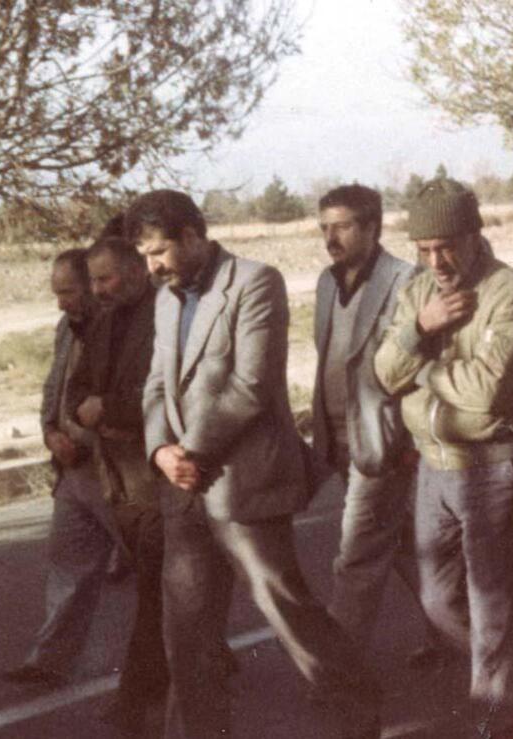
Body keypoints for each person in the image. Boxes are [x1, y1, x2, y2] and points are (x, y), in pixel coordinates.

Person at [135, 189, 380, 739]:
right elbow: (154, 384)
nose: (151, 268)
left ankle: (358, 716)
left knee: (289, 613)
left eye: (158, 252)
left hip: (242, 484)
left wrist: (190, 452)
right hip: (182, 487)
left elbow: (251, 385)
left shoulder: (255, 282)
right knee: (186, 638)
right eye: (144, 256)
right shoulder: (166, 298)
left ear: (192, 236)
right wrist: (160, 451)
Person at [374, 179, 513, 736]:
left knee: (492, 611)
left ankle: (498, 723)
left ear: (474, 236)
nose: (436, 261)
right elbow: (384, 373)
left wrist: (424, 370)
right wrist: (419, 329)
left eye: (446, 246)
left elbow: (486, 392)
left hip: (494, 466)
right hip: (434, 465)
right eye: (424, 249)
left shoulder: (508, 292)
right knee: (438, 601)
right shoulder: (417, 294)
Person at [311, 184, 443, 665]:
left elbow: (421, 366)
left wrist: (410, 442)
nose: (331, 238)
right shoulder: (327, 283)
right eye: (325, 228)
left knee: (357, 556)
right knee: (404, 543)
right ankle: (456, 633)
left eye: (343, 227)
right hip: (339, 439)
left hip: (384, 441)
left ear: (372, 227)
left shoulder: (408, 281)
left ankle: (339, 673)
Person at [1, 249, 123, 689]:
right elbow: (54, 388)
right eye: (57, 293)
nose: (61, 303)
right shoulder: (66, 330)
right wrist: (50, 433)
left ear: (92, 283)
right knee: (68, 564)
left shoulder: (121, 327)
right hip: (74, 473)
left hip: (116, 474)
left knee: (162, 573)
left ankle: (202, 652)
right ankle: (50, 661)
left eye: (68, 291)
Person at [65, 234, 168, 734]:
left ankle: (134, 699)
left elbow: (162, 391)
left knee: (153, 590)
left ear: (134, 270)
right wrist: (92, 410)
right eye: (94, 281)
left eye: (105, 279)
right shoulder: (104, 324)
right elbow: (76, 390)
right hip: (118, 479)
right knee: (162, 588)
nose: (99, 290)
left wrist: (109, 408)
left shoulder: (164, 314)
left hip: (155, 478)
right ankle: (200, 659)